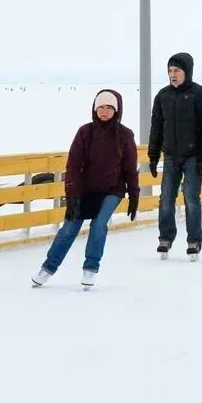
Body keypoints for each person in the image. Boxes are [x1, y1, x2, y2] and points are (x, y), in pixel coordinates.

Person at [32, 90, 140, 289]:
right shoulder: (85, 132)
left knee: (99, 225)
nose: (104, 111)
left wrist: (134, 194)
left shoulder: (125, 135)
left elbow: (130, 168)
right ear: (94, 108)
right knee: (69, 229)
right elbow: (73, 166)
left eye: (109, 108)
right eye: (101, 107)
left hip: (111, 190)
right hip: (84, 190)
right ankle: (47, 268)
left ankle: (90, 268)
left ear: (116, 111)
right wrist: (72, 197)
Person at [149, 52, 202, 261]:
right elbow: (156, 129)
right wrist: (153, 157)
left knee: (191, 198)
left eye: (177, 71)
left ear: (186, 72)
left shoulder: (201, 95)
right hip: (170, 156)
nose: (173, 74)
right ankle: (166, 238)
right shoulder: (163, 96)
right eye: (170, 71)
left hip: (193, 157)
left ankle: (194, 241)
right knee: (166, 198)